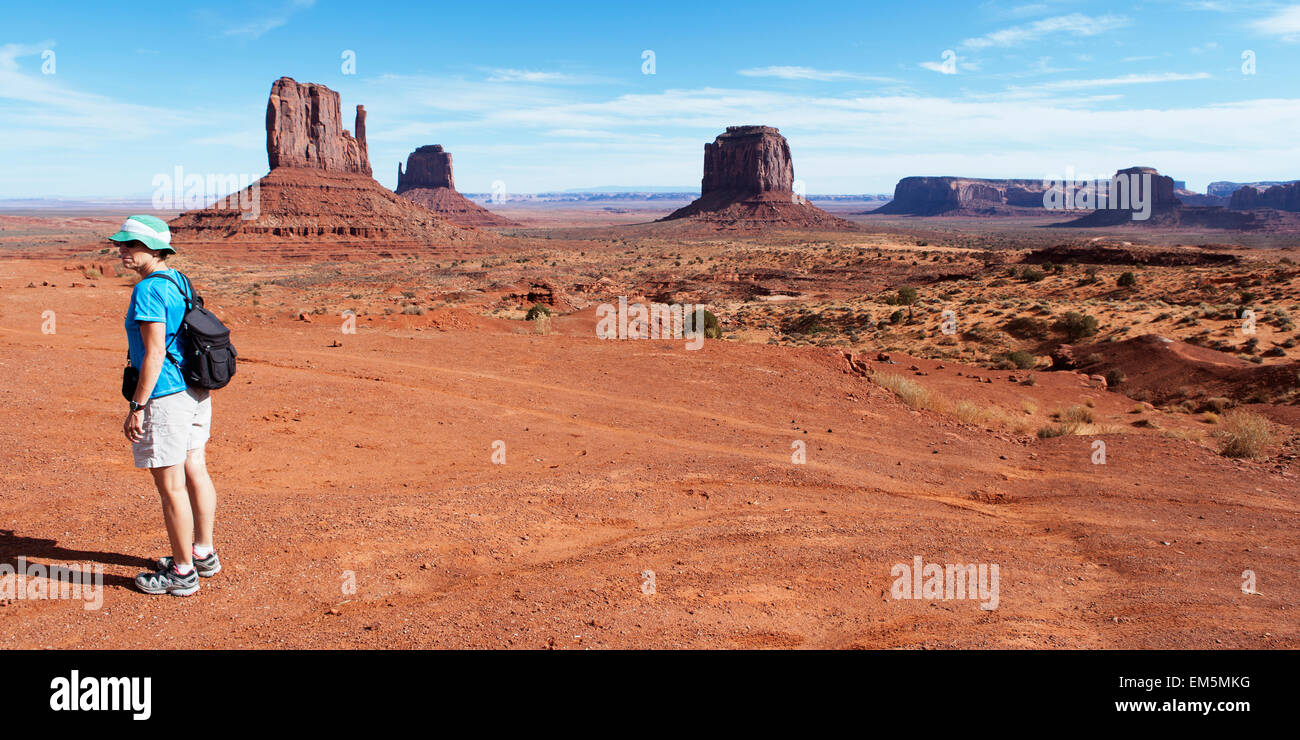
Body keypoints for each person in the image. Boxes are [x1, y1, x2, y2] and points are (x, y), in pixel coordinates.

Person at [111, 215, 221, 596]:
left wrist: (137, 404)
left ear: (154, 249)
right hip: (194, 391)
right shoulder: (179, 279)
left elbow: (155, 352)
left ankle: (183, 572)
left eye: (130, 244)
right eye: (121, 244)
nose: (122, 250)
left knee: (171, 486)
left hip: (165, 396)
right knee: (196, 470)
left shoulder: (146, 291)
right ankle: (203, 553)